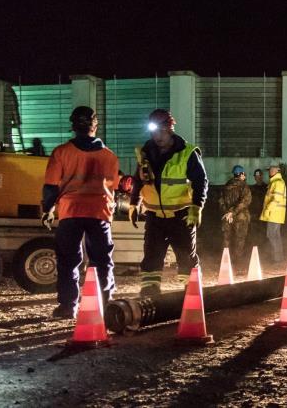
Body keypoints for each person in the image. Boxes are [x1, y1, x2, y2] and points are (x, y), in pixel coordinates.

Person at [41, 107, 119, 318]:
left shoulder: (61, 152)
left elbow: (51, 185)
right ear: (96, 125)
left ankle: (68, 306)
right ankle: (104, 304)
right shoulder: (109, 156)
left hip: (71, 211)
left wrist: (47, 209)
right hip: (99, 212)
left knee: (68, 260)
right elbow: (113, 187)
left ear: (73, 126)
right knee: (101, 260)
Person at [129, 109, 208, 296]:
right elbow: (139, 180)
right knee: (151, 256)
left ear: (170, 129)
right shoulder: (145, 153)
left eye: (161, 131)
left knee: (186, 255)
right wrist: (134, 202)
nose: (157, 136)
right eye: (153, 132)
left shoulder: (187, 153)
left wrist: (197, 206)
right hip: (154, 217)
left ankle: (192, 292)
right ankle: (150, 291)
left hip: (181, 215)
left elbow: (201, 181)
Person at [218, 165, 252, 266]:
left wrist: (227, 213)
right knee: (240, 239)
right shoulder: (244, 186)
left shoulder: (226, 186)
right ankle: (237, 262)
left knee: (226, 239)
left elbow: (220, 201)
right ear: (241, 174)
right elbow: (245, 201)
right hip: (240, 217)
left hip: (226, 217)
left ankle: (225, 261)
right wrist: (233, 212)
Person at [260, 164, 287, 264]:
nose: (269, 172)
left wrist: (267, 210)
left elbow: (276, 199)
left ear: (276, 171)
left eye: (271, 170)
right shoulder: (275, 182)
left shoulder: (278, 183)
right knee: (275, 236)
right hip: (274, 214)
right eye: (269, 170)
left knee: (272, 235)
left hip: (274, 214)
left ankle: (277, 259)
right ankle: (277, 258)